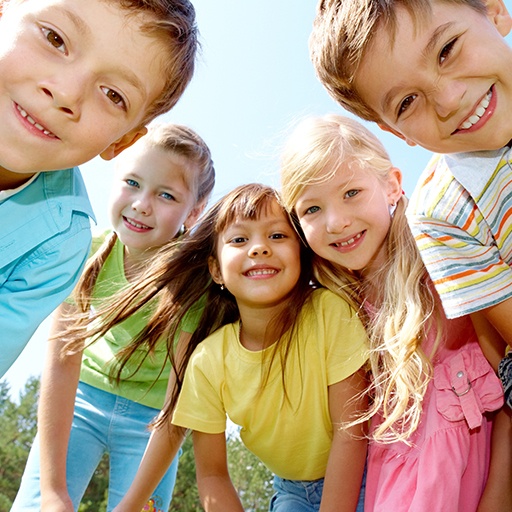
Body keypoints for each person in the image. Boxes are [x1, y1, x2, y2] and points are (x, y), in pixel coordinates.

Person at [71, 183, 369, 512]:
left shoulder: (329, 312)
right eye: (240, 239)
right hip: (293, 491)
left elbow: (351, 432)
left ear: (301, 253)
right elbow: (212, 474)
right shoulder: (208, 360)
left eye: (277, 236)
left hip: (365, 472)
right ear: (216, 270)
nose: (259, 248)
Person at [279, 114, 508, 511]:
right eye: (312, 209)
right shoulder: (336, 308)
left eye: (351, 192)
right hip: (395, 487)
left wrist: (499, 496)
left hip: (475, 478)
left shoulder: (442, 263)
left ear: (391, 185)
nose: (336, 221)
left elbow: (508, 383)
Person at [309, 0, 512, 408]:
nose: (449, 99)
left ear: (493, 10)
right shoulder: (442, 211)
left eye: (447, 49)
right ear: (395, 131)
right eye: (406, 102)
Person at [11, 123, 215, 512]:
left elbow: (177, 406)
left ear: (195, 211)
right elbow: (61, 359)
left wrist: (134, 503)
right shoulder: (83, 252)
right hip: (79, 400)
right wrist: (54, 491)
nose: (141, 204)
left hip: (152, 423)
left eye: (166, 194)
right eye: (132, 183)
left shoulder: (195, 288)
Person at [0, 0, 198, 377]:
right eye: (55, 39)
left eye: (113, 95)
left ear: (121, 143)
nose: (66, 93)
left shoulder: (59, 245)